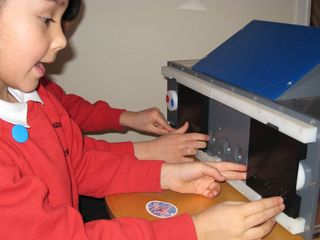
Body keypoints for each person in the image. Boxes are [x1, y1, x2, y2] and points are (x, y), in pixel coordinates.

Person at [0, 0, 285, 239]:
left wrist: (165, 174)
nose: (62, 39)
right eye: (47, 18)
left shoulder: (38, 99)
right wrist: (198, 229)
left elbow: (78, 165)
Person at [42, 76, 209, 163]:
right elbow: (77, 160)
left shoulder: (39, 86)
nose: (61, 41)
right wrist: (150, 151)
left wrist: (128, 118)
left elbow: (65, 107)